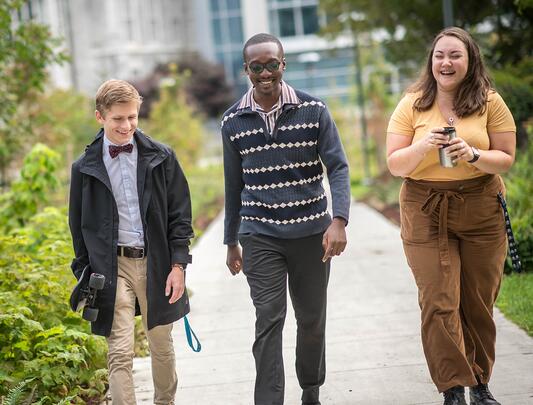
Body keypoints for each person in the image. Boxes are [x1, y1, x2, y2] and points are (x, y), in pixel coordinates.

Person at [386, 27, 516, 405]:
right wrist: (426, 144)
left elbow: (506, 158)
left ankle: (480, 384)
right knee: (439, 300)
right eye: (440, 55)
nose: (446, 62)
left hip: (481, 207)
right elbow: (395, 164)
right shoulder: (412, 103)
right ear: (431, 61)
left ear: (470, 60)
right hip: (425, 209)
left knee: (477, 302)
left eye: (455, 55)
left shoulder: (490, 102)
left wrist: (473, 155)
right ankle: (452, 389)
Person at [221, 33, 350, 405]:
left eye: (272, 64)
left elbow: (338, 167)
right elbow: (233, 186)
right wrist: (232, 241)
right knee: (269, 318)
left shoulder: (315, 110)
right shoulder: (233, 121)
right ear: (246, 69)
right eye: (256, 67)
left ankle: (310, 389)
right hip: (260, 234)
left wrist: (338, 219)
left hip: (312, 233)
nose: (265, 73)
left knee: (311, 319)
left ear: (283, 64)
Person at [68, 79, 194, 405]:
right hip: (112, 267)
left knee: (161, 344)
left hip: (157, 263)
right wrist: (86, 273)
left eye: (132, 117)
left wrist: (178, 265)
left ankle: (165, 402)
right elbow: (77, 226)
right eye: (118, 119)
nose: (127, 126)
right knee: (120, 350)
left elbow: (180, 217)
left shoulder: (162, 157)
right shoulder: (84, 168)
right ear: (100, 117)